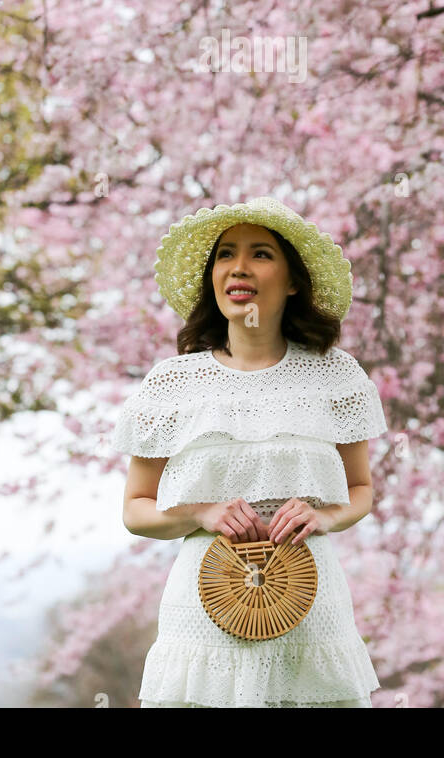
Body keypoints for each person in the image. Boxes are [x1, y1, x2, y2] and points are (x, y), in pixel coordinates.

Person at [108, 195, 389, 708]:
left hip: (312, 611)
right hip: (203, 616)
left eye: (260, 254)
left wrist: (325, 516)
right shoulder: (171, 384)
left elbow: (361, 489)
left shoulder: (335, 376)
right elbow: (135, 509)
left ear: (293, 279)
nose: (238, 268)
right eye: (224, 255)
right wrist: (201, 512)